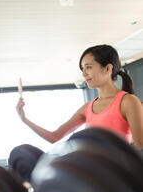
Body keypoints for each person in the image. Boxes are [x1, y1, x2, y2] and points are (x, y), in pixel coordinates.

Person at [10, 44, 143, 182]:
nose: (84, 74)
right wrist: (24, 119)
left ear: (108, 69)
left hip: (111, 174)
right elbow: (54, 136)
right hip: (85, 170)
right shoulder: (87, 108)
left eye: (88, 67)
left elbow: (140, 146)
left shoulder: (128, 101)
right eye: (82, 69)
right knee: (22, 153)